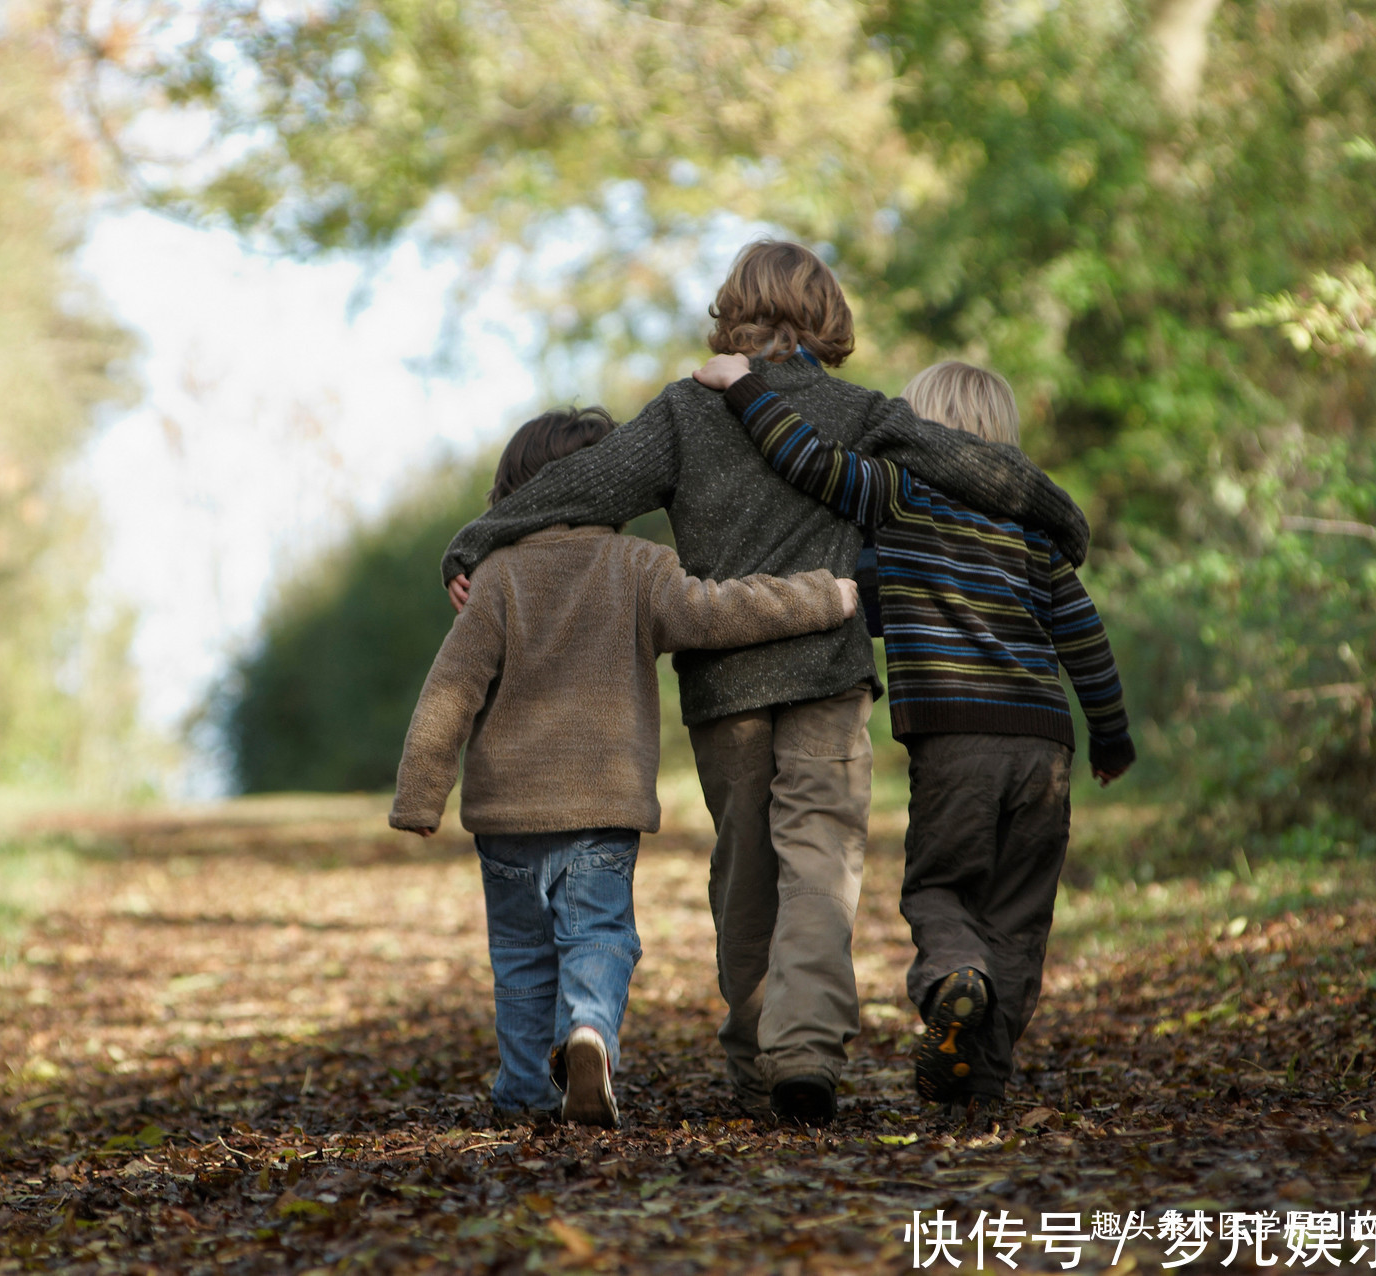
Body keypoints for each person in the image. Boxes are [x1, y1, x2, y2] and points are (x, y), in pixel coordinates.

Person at [440, 240, 1091, 1126]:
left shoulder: (681, 414)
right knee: (822, 868)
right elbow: (983, 469)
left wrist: (474, 540)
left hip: (726, 692)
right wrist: (1063, 520)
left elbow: (581, 486)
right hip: (828, 678)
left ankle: (755, 1064)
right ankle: (806, 1054)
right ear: (826, 316)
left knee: (746, 876)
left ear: (732, 311)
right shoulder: (858, 411)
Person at [693, 352, 1136, 1124]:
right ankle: (982, 1080)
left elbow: (810, 462)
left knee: (940, 889)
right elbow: (1084, 638)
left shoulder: (900, 494)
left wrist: (746, 388)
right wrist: (1112, 734)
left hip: (955, 742)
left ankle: (955, 977)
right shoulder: (1033, 527)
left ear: (916, 428)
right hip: (1046, 751)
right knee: (1020, 915)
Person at [390, 405, 859, 1128]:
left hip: (506, 818)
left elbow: (449, 690)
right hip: (601, 808)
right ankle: (589, 1034)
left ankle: (524, 1090)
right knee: (600, 936)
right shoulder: (638, 567)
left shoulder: (498, 578)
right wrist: (822, 597)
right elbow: (717, 613)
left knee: (519, 958)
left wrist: (420, 796)